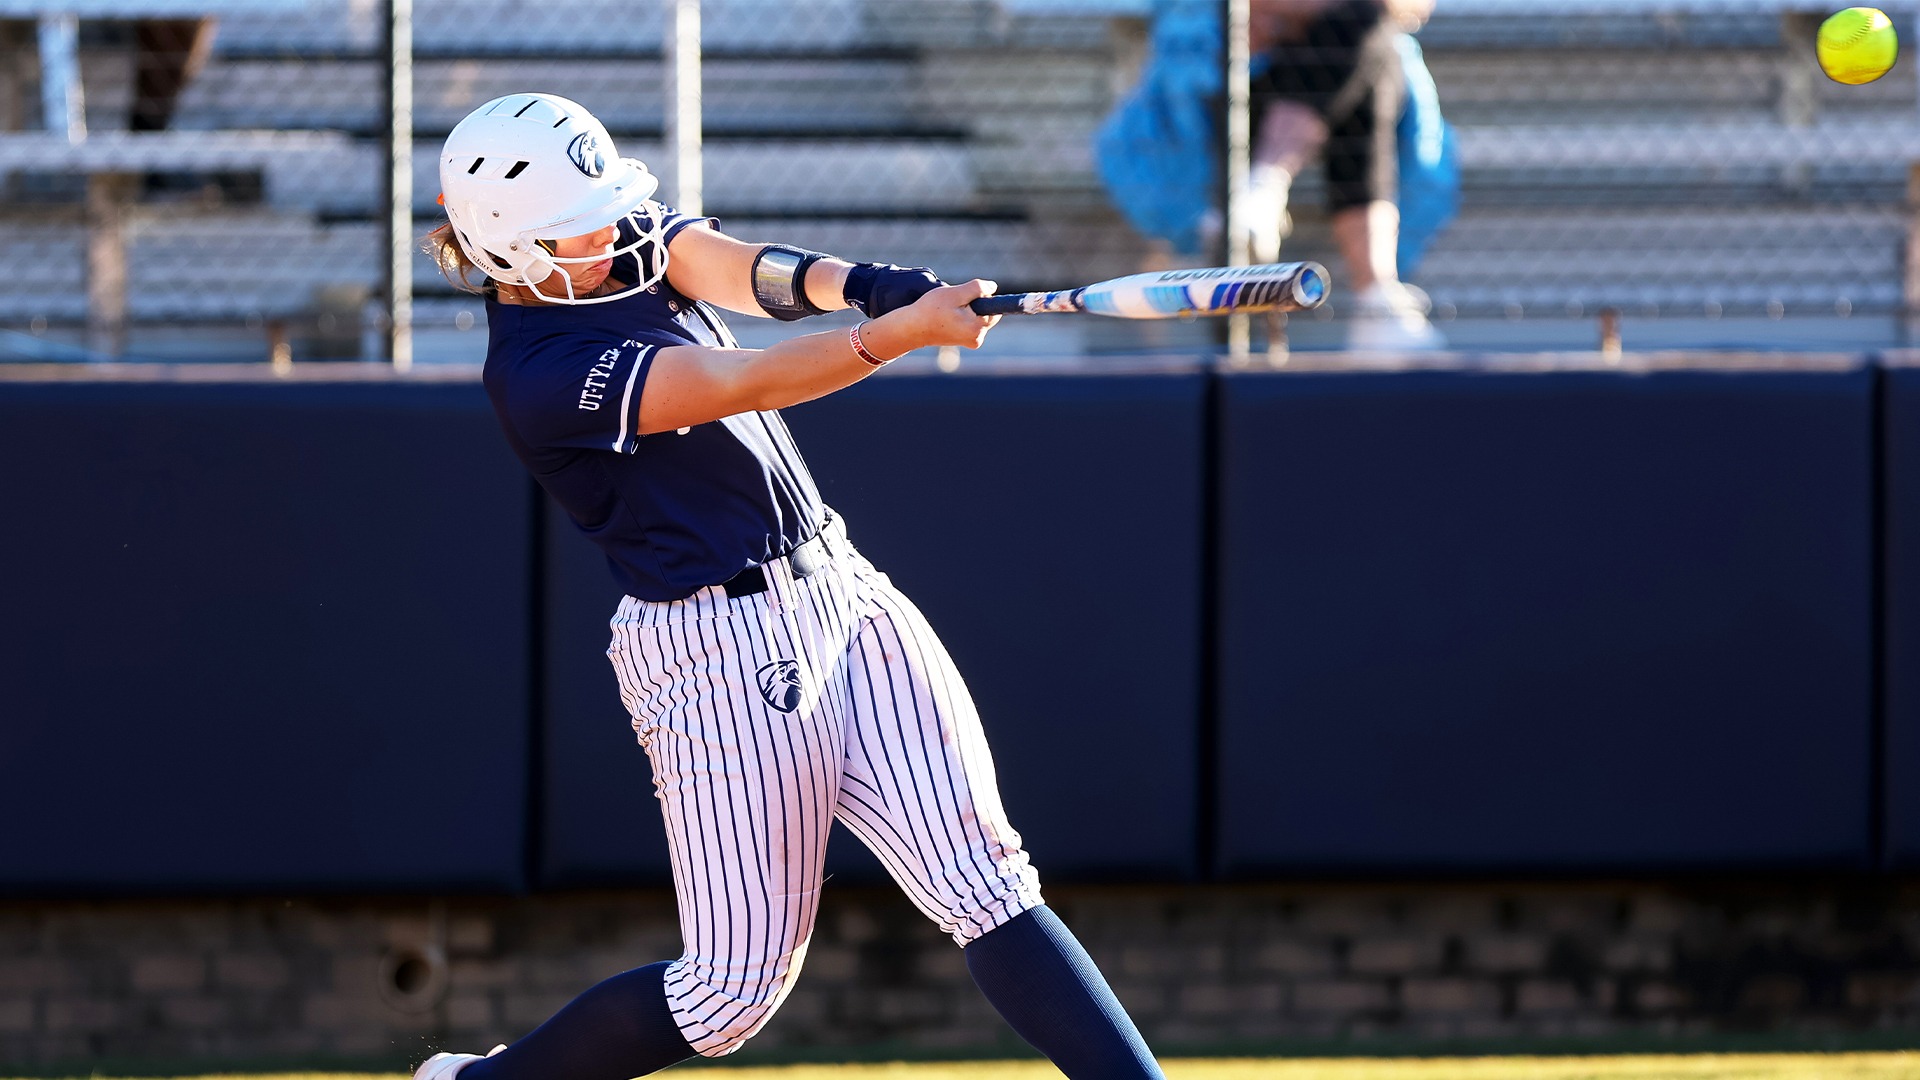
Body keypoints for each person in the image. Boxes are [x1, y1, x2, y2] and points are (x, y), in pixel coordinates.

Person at [412, 93, 1166, 1080]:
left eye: (602, 209)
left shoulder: (616, 248)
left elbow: (733, 267)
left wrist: (867, 285)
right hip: (713, 652)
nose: (610, 232)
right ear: (509, 250)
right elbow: (737, 381)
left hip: (842, 590)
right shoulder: (541, 377)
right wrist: (896, 336)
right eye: (576, 228)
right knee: (729, 995)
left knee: (987, 882)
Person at [1248, 0, 1445, 349]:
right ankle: (1375, 295)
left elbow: (1411, 6)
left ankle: (1262, 189)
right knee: (1366, 34)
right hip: (1243, 86)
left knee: (1365, 36)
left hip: (1342, 71)